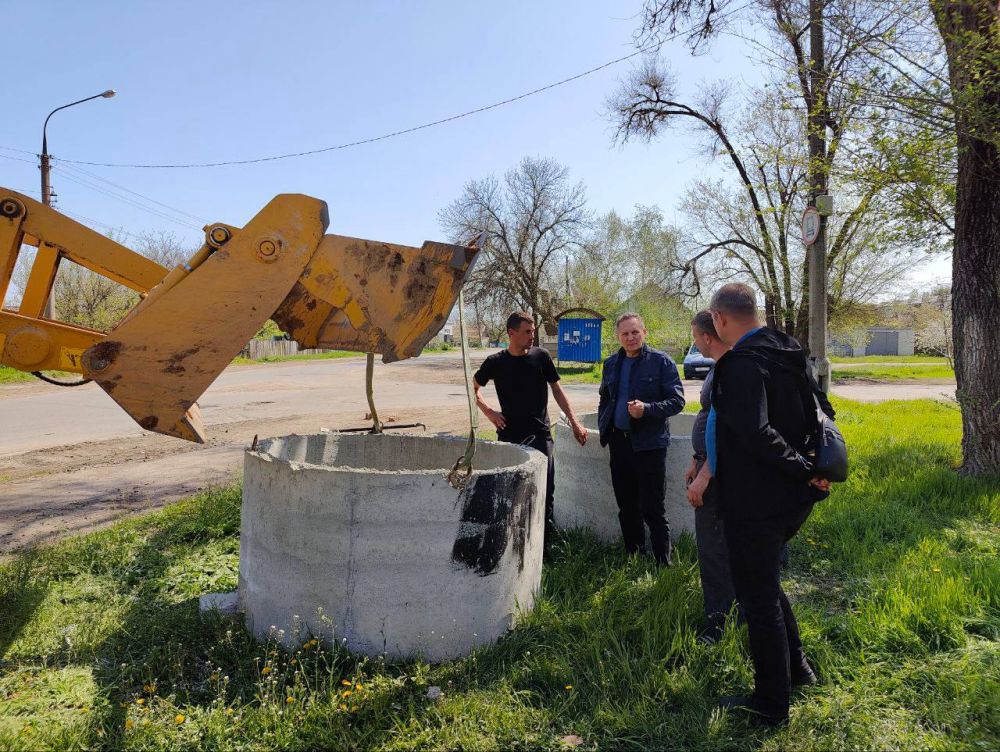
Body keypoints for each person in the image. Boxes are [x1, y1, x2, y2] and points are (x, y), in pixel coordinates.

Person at [706, 283, 834, 726]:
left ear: (720, 319)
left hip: (755, 500)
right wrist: (814, 469)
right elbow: (823, 411)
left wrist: (801, 468)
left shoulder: (741, 364)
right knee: (765, 583)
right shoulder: (788, 349)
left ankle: (771, 703)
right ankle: (797, 669)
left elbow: (756, 433)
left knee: (756, 599)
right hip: (792, 498)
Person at [474, 311, 587, 542]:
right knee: (511, 491)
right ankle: (514, 540)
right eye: (527, 332)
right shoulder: (495, 363)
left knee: (546, 490)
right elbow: (473, 388)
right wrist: (489, 412)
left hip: (540, 435)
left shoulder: (541, 357)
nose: (532, 336)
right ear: (511, 333)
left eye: (533, 331)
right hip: (510, 436)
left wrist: (574, 422)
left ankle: (543, 543)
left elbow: (557, 390)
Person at [597, 313, 685, 565]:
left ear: (645, 333)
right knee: (626, 506)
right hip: (619, 443)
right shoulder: (612, 363)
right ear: (618, 337)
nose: (631, 337)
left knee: (653, 508)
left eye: (635, 332)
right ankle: (634, 556)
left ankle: (662, 563)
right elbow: (606, 397)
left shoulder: (661, 362)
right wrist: (607, 424)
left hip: (650, 444)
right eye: (625, 333)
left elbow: (677, 401)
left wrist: (647, 409)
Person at [684, 310, 736, 644]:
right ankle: (729, 615)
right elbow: (710, 419)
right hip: (707, 464)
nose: (694, 341)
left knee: (714, 549)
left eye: (694, 335)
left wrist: (704, 475)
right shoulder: (721, 367)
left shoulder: (730, 369)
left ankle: (718, 625)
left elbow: (726, 432)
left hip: (717, 477)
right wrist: (696, 457)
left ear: (707, 336)